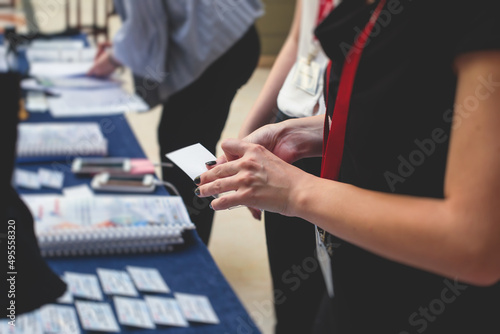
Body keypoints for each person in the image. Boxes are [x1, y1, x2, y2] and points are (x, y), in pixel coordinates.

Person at [195, 0, 500, 332]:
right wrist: (300, 132)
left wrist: (294, 191)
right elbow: (414, 116)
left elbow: (475, 243)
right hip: (358, 276)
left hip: (425, 297)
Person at [88, 0, 263, 245]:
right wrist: (120, 49)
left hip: (220, 47)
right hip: (232, 37)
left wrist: (113, 57)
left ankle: (190, 244)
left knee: (184, 148)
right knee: (187, 144)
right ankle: (189, 236)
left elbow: (146, 27)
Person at [236, 0, 337, 332]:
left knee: (335, 292)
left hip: (338, 126)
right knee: (290, 281)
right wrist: (248, 131)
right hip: (290, 118)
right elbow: (298, 40)